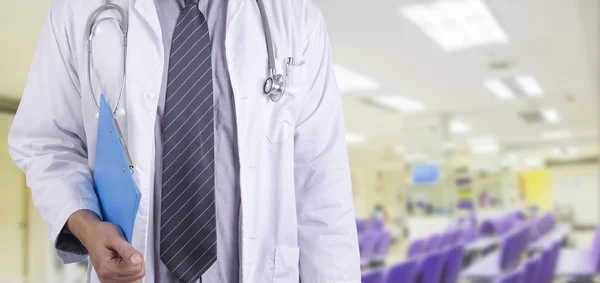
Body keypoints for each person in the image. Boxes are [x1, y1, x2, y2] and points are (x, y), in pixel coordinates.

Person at [8, 0, 360, 282]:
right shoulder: (77, 9)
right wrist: (86, 226)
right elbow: (46, 142)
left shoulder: (296, 18)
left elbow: (323, 193)